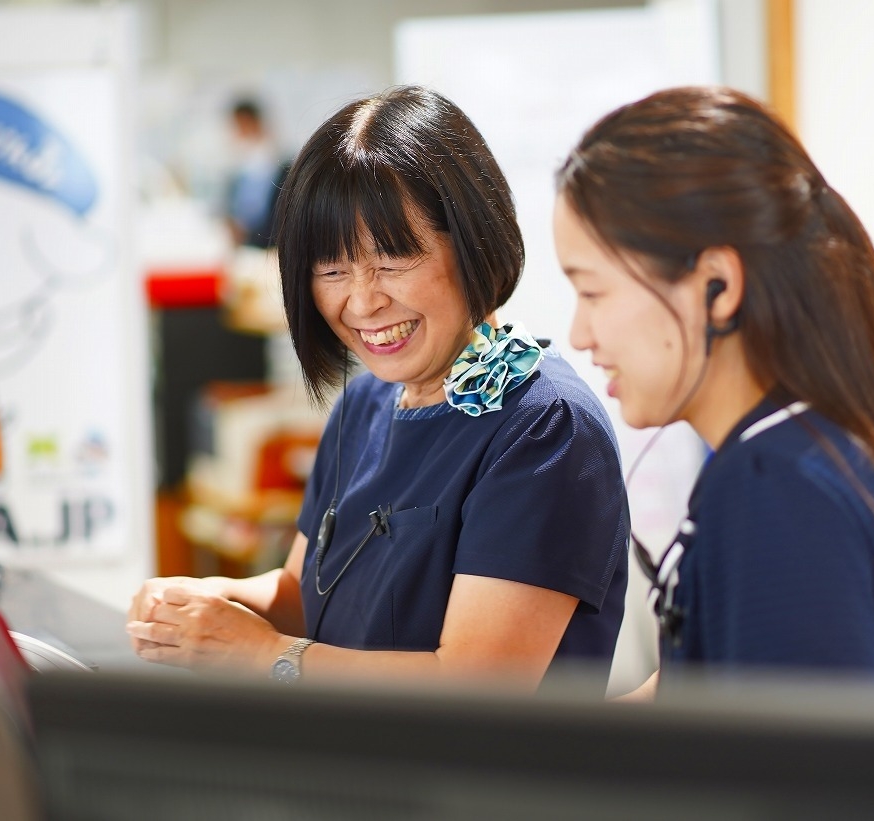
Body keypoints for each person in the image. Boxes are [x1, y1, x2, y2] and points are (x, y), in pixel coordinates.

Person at [128, 86, 629, 692]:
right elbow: (300, 595)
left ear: (473, 239)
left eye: (393, 261)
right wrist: (205, 606)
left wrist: (263, 656)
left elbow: (478, 686)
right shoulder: (365, 403)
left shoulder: (544, 427)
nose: (362, 301)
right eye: (332, 269)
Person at [552, 86, 874, 698]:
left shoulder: (773, 491)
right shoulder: (811, 451)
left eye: (593, 293)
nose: (579, 333)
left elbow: (799, 785)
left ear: (717, 285)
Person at [224, 97, 287, 247]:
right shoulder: (241, 169)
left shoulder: (276, 165)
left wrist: (247, 234)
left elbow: (274, 219)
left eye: (241, 127)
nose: (237, 134)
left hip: (267, 245)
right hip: (247, 243)